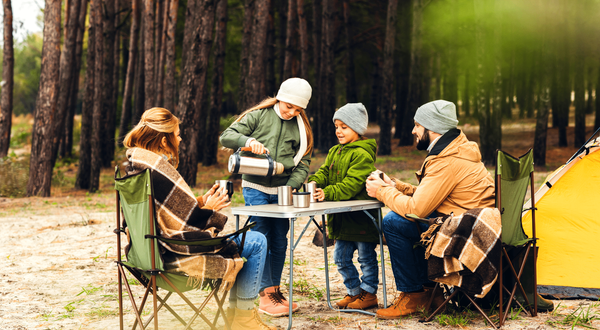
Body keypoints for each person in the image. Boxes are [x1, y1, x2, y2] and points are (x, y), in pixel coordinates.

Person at [123, 107, 274, 330]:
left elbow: (163, 212)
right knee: (257, 241)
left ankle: (238, 317)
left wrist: (201, 201)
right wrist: (209, 211)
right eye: (176, 133)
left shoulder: (135, 166)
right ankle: (243, 318)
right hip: (173, 258)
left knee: (249, 241)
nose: (180, 137)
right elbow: (185, 224)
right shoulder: (159, 170)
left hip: (145, 256)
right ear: (164, 142)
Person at [365, 100, 496, 319]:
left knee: (395, 222)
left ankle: (414, 294)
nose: (413, 130)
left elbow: (417, 209)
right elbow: (434, 195)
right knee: (408, 221)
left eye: (417, 125)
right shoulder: (457, 149)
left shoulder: (446, 161)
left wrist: (381, 192)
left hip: (465, 232)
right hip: (472, 221)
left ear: (432, 128)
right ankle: (429, 294)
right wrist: (395, 186)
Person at [220, 78, 313, 317]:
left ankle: (274, 290)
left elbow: (303, 163)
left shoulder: (301, 127)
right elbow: (227, 137)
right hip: (255, 188)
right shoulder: (259, 116)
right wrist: (248, 141)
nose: (292, 112)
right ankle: (263, 295)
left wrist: (291, 185)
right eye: (289, 106)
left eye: (298, 109)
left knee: (280, 240)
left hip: (283, 191)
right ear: (280, 97)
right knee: (261, 238)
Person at [307, 103, 380, 310]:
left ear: (356, 128)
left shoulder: (362, 154)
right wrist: (316, 182)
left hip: (361, 217)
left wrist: (327, 193)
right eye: (336, 126)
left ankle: (369, 293)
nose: (338, 131)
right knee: (340, 257)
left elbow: (351, 185)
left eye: (344, 127)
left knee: (366, 257)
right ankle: (354, 292)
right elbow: (323, 172)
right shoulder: (334, 151)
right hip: (342, 218)